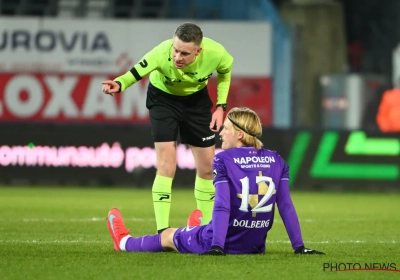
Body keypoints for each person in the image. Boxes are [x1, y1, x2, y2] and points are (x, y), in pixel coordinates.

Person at [106, 107, 325, 255]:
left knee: (168, 236)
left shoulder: (223, 159)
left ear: (239, 134)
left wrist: (217, 246)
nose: (221, 133)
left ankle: (123, 242)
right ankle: (199, 227)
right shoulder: (277, 159)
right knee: (202, 229)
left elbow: (221, 204)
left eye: (226, 129)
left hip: (221, 241)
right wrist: (299, 247)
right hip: (254, 245)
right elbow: (285, 205)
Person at [102, 23, 234, 233]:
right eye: (175, 49)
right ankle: (163, 230)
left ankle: (208, 229)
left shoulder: (217, 54)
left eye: (184, 53)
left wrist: (221, 106)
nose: (177, 57)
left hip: (196, 103)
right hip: (163, 101)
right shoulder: (161, 52)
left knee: (208, 168)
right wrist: (119, 84)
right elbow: (136, 71)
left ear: (198, 51)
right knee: (166, 165)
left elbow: (225, 72)